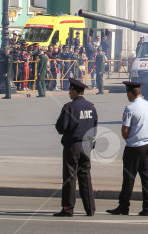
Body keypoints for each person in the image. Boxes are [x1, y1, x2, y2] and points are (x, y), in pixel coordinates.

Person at [107, 81, 148, 216]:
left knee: (129, 178)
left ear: (130, 93)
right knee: (146, 177)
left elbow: (125, 131)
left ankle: (124, 206)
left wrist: (129, 137)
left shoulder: (130, 108)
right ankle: (147, 207)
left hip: (134, 147)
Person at [53, 79, 98, 217]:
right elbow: (95, 127)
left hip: (72, 146)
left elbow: (61, 127)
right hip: (86, 146)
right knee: (85, 176)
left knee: (70, 177)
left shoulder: (69, 107)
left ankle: (68, 208)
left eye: (70, 90)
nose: (68, 93)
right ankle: (90, 208)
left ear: (74, 91)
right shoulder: (91, 107)